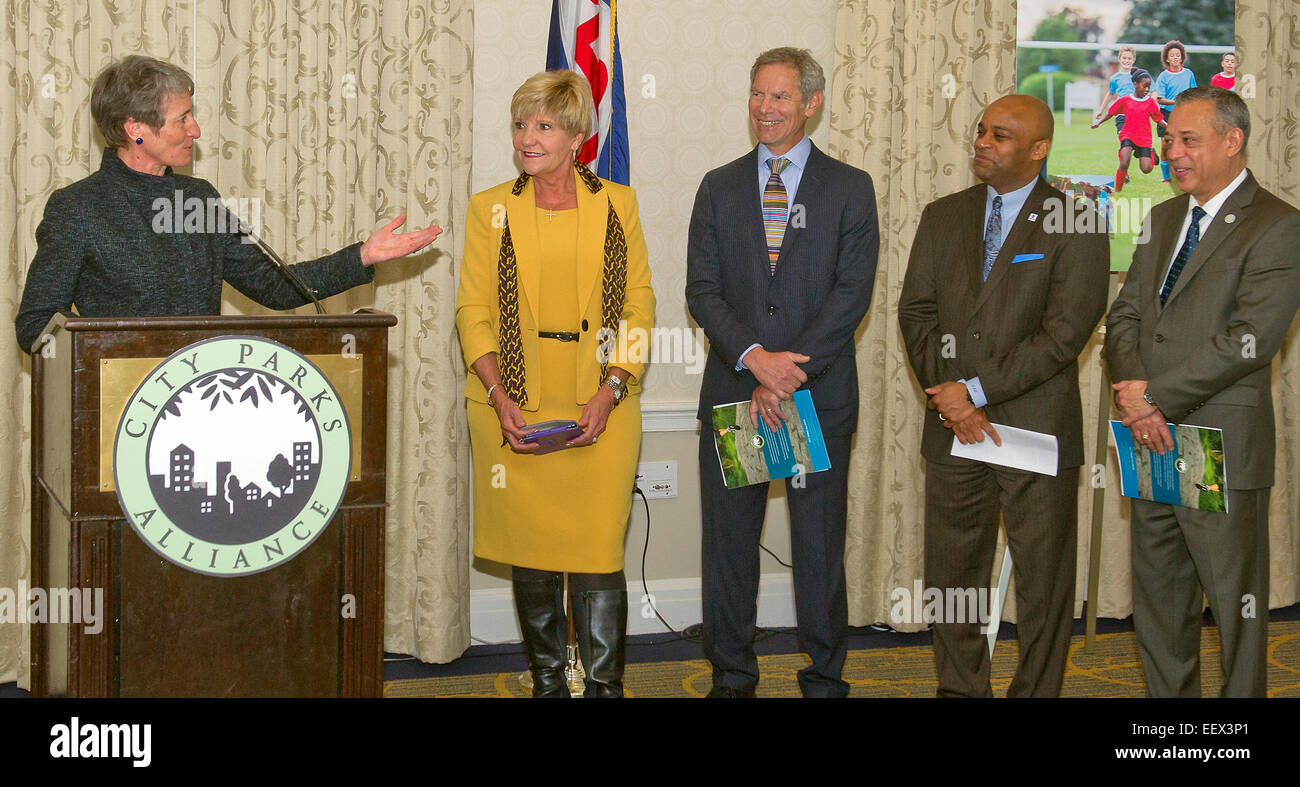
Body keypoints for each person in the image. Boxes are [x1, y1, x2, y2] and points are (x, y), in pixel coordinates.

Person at [898, 94, 1109, 697]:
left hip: (1034, 428)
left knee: (1044, 584)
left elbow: (1065, 334)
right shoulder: (944, 215)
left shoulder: (1079, 220)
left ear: (1039, 150)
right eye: (981, 131)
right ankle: (961, 689)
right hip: (955, 430)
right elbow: (916, 313)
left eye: (1002, 135)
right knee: (952, 577)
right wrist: (949, 397)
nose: (983, 143)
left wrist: (976, 390)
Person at [14, 55, 442, 351]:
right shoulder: (78, 208)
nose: (195, 130)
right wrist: (104, 351)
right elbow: (35, 325)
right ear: (136, 129)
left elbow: (275, 288)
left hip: (206, 406)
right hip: (116, 414)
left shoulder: (197, 200)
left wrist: (363, 256)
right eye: (182, 118)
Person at [685, 47, 879, 698]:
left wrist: (786, 372)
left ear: (811, 104)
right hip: (738, 392)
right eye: (757, 94)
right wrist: (755, 361)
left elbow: (853, 294)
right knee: (730, 551)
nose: (765, 108)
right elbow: (702, 290)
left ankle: (825, 680)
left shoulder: (851, 189)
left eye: (780, 97)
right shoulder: (718, 186)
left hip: (815, 398)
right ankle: (732, 678)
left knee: (819, 553)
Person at [455, 70, 655, 698]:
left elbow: (640, 308)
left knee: (598, 553)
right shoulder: (490, 206)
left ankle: (603, 688)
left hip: (604, 402)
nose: (527, 137)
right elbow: (473, 311)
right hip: (512, 402)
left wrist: (611, 389)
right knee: (532, 551)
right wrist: (497, 394)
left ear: (576, 136)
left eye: (542, 125)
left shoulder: (617, 203)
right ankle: (548, 682)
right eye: (520, 124)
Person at [1106, 86, 1300, 697]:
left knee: (1234, 611)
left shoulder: (1279, 226)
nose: (1172, 152)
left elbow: (1252, 339)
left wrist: (1153, 396)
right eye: (1168, 139)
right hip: (1150, 439)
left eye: (1188, 140)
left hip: (1217, 441)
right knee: (1160, 605)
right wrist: (1137, 401)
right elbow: (1126, 316)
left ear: (1232, 141)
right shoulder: (1164, 217)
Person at [1091, 69, 1163, 192]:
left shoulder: (1150, 102)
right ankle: (1118, 190)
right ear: (1135, 84)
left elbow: (1159, 120)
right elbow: (1111, 113)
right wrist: (1099, 122)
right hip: (1128, 135)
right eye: (1144, 86)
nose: (1147, 89)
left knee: (1146, 169)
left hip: (1144, 138)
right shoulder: (1125, 100)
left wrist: (1170, 127)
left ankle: (1151, 152)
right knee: (1124, 162)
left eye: (1149, 87)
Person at [1154, 41, 1197, 183]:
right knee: (1166, 146)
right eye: (1172, 55)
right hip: (1166, 114)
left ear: (1182, 57)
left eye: (1177, 55)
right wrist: (1175, 101)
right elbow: (1160, 99)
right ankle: (1166, 178)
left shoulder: (1189, 74)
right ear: (1167, 59)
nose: (1175, 58)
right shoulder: (1163, 76)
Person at [1094, 46, 1138, 136]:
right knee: (1124, 140)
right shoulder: (1115, 78)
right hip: (1121, 114)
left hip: (1137, 114)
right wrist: (1101, 110)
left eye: (1129, 58)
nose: (1127, 61)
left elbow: (1151, 91)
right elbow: (1110, 93)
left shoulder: (1139, 75)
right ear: (1119, 59)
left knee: (1138, 142)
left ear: (1134, 60)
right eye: (1124, 58)